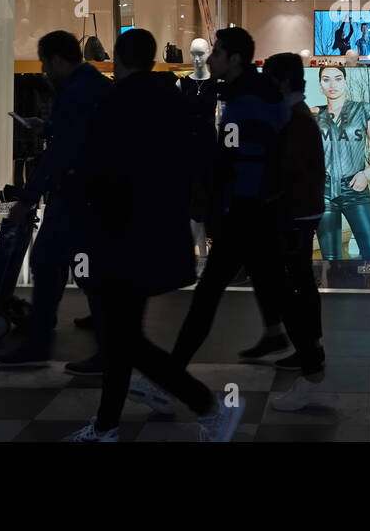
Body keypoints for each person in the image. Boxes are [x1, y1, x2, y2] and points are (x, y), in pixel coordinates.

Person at [64, 29, 243, 442]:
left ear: (119, 59)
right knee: (121, 336)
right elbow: (200, 160)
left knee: (123, 339)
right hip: (160, 231)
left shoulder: (114, 103)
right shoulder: (174, 102)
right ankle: (108, 425)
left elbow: (98, 171)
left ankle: (206, 407)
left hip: (121, 235)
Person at [172, 27, 291, 366]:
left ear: (234, 59)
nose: (210, 59)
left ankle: (173, 370)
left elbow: (245, 156)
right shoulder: (251, 92)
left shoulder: (249, 98)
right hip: (255, 207)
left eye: (217, 53)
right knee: (267, 278)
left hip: (246, 209)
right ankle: (280, 337)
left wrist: (225, 205)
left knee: (208, 291)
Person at [0, 30, 109, 370]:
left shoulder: (77, 91)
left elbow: (63, 152)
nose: (43, 69)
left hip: (77, 193)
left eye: (45, 61)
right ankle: (47, 337)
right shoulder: (91, 84)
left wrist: (27, 200)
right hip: (86, 193)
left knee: (59, 263)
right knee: (60, 263)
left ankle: (51, 341)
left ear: (58, 59)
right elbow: (72, 135)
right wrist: (46, 127)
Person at [260, 53, 328, 411]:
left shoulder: (295, 119)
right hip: (301, 209)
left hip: (297, 212)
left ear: (283, 81)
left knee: (291, 283)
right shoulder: (297, 116)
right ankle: (309, 349)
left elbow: (291, 171)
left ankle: (310, 362)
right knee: (298, 280)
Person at [312, 65, 370, 262]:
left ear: (345, 81)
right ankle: (335, 292)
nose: (332, 84)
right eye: (326, 79)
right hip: (324, 192)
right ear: (320, 85)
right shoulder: (314, 114)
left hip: (356, 188)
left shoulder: (363, 109)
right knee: (331, 258)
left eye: (337, 78)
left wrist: (367, 174)